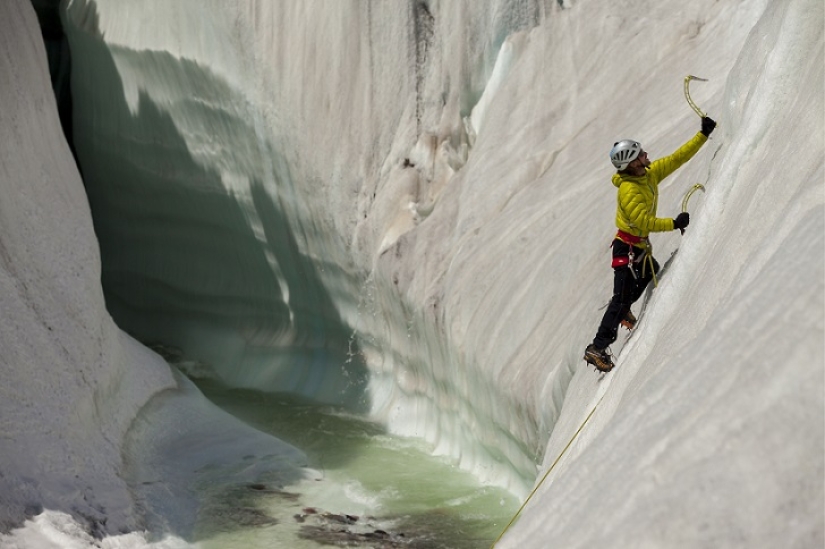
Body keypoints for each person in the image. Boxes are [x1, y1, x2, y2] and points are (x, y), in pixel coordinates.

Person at [583, 116, 717, 372]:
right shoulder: (629, 190)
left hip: (638, 249)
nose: (646, 154)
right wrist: (674, 224)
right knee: (620, 298)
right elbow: (643, 222)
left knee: (647, 274)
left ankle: (622, 314)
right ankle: (597, 347)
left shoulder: (647, 175)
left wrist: (702, 135)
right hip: (628, 249)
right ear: (631, 163)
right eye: (639, 154)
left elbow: (677, 159)